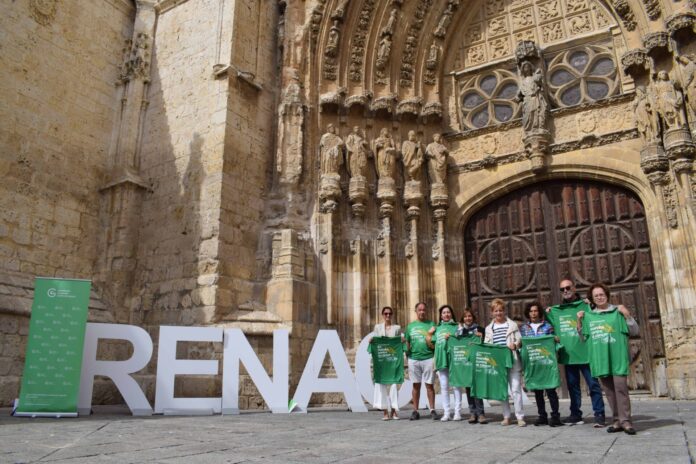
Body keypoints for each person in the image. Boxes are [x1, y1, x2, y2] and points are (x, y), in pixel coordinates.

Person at [578, 283, 640, 435]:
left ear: (606, 295)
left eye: (601, 294)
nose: (599, 297)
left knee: (621, 389)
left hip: (617, 357)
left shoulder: (617, 312)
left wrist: (627, 314)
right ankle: (617, 420)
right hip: (601, 359)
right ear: (592, 299)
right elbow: (582, 338)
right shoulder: (589, 316)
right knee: (609, 391)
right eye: (596, 296)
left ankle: (626, 421)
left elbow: (634, 331)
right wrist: (579, 321)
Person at [546, 279, 605, 426]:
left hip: (587, 353)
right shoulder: (556, 311)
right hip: (569, 354)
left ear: (574, 288)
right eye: (562, 289)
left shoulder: (586, 305)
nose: (565, 291)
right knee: (572, 386)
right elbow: (548, 326)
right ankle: (575, 414)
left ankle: (599, 414)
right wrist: (548, 313)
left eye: (567, 287)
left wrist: (591, 303)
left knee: (593, 385)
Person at [519, 302, 562, 427]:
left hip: (546, 364)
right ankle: (542, 416)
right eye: (531, 311)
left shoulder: (547, 327)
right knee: (537, 391)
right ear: (528, 313)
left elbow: (553, 342)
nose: (533, 313)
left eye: (536, 311)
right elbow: (521, 344)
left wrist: (555, 339)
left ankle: (555, 416)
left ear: (539, 312)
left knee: (551, 390)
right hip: (533, 364)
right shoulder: (523, 329)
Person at [484, 298, 525, 427]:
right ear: (492, 313)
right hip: (498, 363)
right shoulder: (489, 328)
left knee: (516, 389)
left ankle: (520, 416)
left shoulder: (512, 325)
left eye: (500, 310)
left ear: (504, 311)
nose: (498, 313)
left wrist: (516, 344)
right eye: (496, 311)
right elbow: (486, 344)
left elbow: (520, 341)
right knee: (502, 391)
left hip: (512, 360)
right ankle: (506, 416)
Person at [427, 305, 461, 421]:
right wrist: (430, 334)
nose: (446, 314)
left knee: (456, 386)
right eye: (444, 313)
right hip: (441, 359)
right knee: (444, 387)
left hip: (454, 359)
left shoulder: (457, 326)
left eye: (448, 312)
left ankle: (457, 412)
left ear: (451, 314)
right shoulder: (437, 328)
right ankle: (446, 412)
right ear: (441, 315)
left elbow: (461, 340)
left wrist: (452, 336)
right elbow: (431, 344)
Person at [405, 302, 437, 420]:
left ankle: (432, 410)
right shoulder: (410, 326)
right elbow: (407, 342)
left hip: (428, 357)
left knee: (429, 385)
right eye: (419, 310)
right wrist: (407, 354)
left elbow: (435, 341)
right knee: (416, 385)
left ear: (426, 311)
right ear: (416, 311)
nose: (422, 312)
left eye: (424, 310)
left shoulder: (431, 324)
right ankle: (415, 410)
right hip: (414, 359)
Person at [369, 306, 402, 420]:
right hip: (382, 361)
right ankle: (384, 412)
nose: (388, 316)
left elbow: (398, 344)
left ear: (392, 315)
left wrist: (402, 340)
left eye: (389, 314)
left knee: (393, 386)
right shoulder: (377, 327)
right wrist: (371, 341)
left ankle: (394, 410)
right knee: (381, 386)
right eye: (386, 314)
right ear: (382, 315)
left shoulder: (397, 328)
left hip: (393, 361)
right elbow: (376, 341)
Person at [456, 308, 487, 424]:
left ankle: (481, 413)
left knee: (477, 388)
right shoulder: (459, 331)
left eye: (469, 316)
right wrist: (449, 337)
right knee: (468, 388)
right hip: (465, 363)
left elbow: (486, 342)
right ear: (463, 319)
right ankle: (472, 413)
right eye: (465, 317)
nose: (467, 318)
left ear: (473, 318)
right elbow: (455, 341)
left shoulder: (480, 329)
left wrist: (481, 336)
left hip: (477, 362)